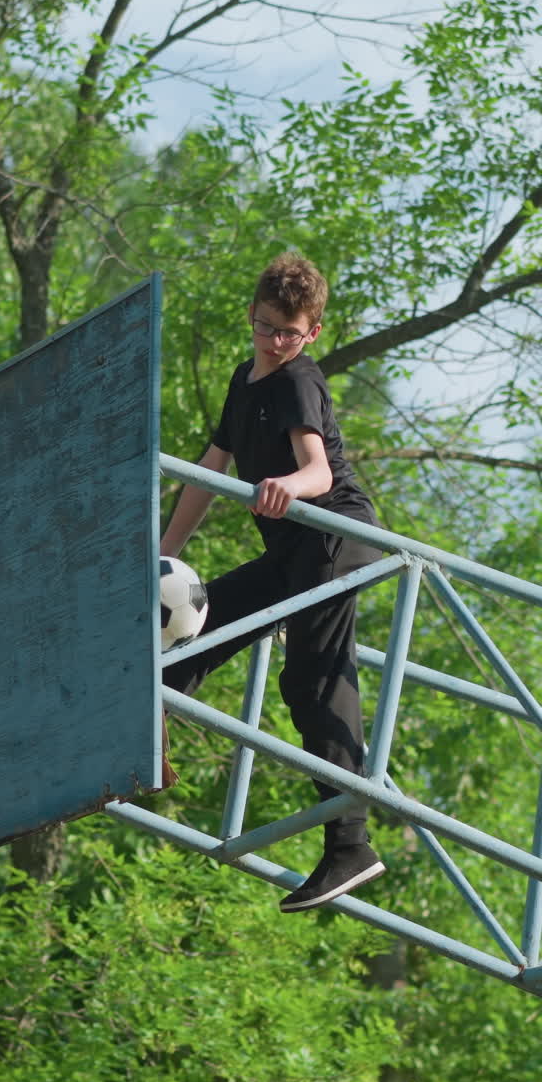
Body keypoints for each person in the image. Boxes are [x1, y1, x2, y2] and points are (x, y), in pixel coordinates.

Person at [160, 252, 386, 911]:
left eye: (290, 332)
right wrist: (165, 553)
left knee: (311, 679)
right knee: (203, 622)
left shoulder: (298, 381)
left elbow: (317, 472)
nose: (275, 342)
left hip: (333, 538)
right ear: (251, 318)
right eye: (266, 328)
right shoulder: (244, 381)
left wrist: (285, 485)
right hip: (292, 551)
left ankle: (351, 845)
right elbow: (209, 466)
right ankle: (148, 732)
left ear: (312, 332)